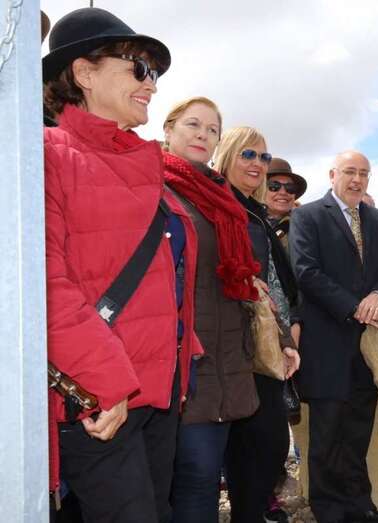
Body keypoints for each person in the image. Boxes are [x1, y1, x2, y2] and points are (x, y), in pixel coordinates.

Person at [43, 8, 201, 522]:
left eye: (153, 73)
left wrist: (184, 352)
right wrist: (104, 381)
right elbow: (44, 284)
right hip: (101, 401)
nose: (151, 86)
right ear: (84, 73)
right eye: (138, 68)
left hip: (159, 391)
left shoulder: (147, 164)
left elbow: (164, 278)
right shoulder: (44, 154)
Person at [289, 150, 378, 523]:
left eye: (364, 174)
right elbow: (306, 271)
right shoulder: (307, 216)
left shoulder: (376, 218)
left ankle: (360, 506)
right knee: (325, 438)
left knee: (358, 433)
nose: (357, 180)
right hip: (326, 345)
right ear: (332, 174)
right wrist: (354, 306)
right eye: (350, 172)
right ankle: (328, 510)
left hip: (366, 350)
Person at [163, 111, 263, 522]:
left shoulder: (222, 201)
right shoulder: (155, 185)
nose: (203, 134)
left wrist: (284, 341)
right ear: (168, 130)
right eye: (193, 125)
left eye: (212, 129)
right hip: (181, 360)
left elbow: (249, 284)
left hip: (226, 362)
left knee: (202, 480)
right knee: (191, 477)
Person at [224, 148, 304, 523]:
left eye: (289, 187)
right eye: (276, 184)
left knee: (271, 438)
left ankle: (260, 503)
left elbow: (291, 286)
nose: (283, 191)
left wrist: (291, 330)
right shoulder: (237, 214)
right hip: (244, 343)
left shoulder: (281, 226)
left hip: (278, 341)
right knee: (250, 440)